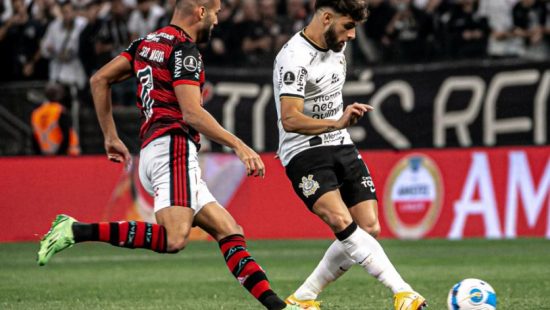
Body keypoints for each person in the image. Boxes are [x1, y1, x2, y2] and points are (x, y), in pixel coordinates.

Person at [36, 0, 300, 309]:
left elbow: (99, 79)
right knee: (175, 239)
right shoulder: (185, 51)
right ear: (201, 11)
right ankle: (75, 230)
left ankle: (278, 307)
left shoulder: (145, 43)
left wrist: (111, 136)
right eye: (214, 13)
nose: (216, 21)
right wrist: (239, 145)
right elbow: (191, 113)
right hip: (172, 147)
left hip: (156, 149)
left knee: (229, 231)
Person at [272, 0, 427, 309]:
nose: (352, 35)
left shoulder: (337, 47)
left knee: (368, 228)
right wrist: (337, 121)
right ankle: (403, 292)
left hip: (340, 143)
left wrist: (338, 125)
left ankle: (303, 298)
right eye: (348, 26)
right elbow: (289, 118)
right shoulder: (293, 57)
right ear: (326, 18)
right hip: (303, 150)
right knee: (339, 219)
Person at [31, 82, 81, 156]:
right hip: (65, 154)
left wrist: (39, 155)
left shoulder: (36, 113)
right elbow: (66, 135)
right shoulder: (60, 111)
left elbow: (33, 136)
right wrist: (60, 154)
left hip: (44, 152)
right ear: (60, 96)